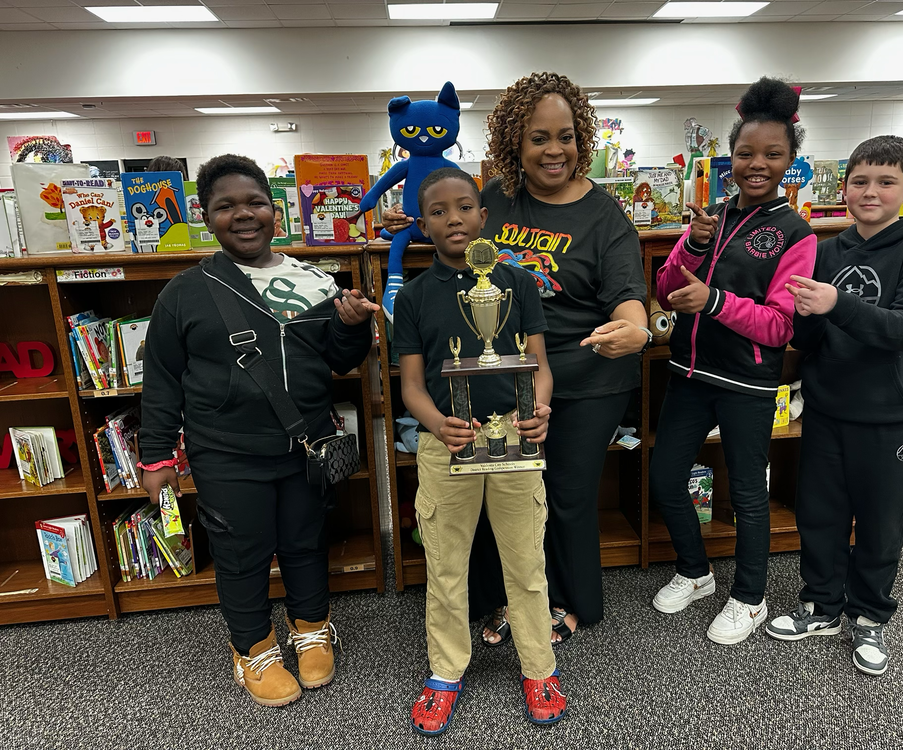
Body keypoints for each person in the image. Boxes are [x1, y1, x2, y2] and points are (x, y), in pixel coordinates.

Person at [388, 72, 649, 645]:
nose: (554, 150)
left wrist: (635, 329)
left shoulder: (606, 217)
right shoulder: (497, 197)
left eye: (565, 136)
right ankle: (506, 601)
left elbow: (629, 298)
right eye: (538, 138)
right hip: (496, 376)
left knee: (564, 493)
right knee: (496, 492)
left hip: (582, 375)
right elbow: (448, 227)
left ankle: (566, 602)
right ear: (515, 142)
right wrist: (408, 224)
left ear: (582, 137)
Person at [138, 154, 378, 706]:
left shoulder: (313, 277)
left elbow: (339, 362)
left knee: (304, 540)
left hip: (306, 444)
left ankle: (312, 628)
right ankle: (253, 647)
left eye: (254, 202)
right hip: (226, 452)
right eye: (225, 206)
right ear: (205, 215)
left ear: (275, 209)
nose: (242, 215)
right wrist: (156, 458)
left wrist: (348, 326)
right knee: (242, 552)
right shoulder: (183, 292)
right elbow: (163, 382)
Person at [765, 136, 903, 675]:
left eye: (886, 182)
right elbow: (808, 337)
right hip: (828, 408)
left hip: (894, 413)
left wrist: (835, 302)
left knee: (881, 523)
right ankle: (821, 606)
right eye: (861, 181)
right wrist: (802, 317)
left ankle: (869, 617)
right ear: (844, 186)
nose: (871, 192)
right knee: (819, 516)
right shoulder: (826, 250)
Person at [393, 168, 565, 734]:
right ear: (423, 226)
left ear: (483, 215)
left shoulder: (516, 283)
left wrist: (539, 410)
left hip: (514, 444)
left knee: (527, 563)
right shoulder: (415, 297)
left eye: (464, 207)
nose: (453, 219)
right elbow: (411, 387)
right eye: (438, 212)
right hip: (448, 449)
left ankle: (539, 667)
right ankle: (446, 671)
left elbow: (538, 366)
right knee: (445, 565)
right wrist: (439, 425)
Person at [651, 77, 817, 645]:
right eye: (746, 152)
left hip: (747, 381)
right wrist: (693, 245)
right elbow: (666, 287)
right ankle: (696, 572)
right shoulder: (711, 217)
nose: (756, 163)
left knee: (748, 493)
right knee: (665, 475)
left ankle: (750, 597)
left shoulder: (796, 232)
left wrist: (716, 302)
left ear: (790, 160)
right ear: (731, 156)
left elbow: (780, 325)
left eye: (772, 154)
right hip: (689, 375)